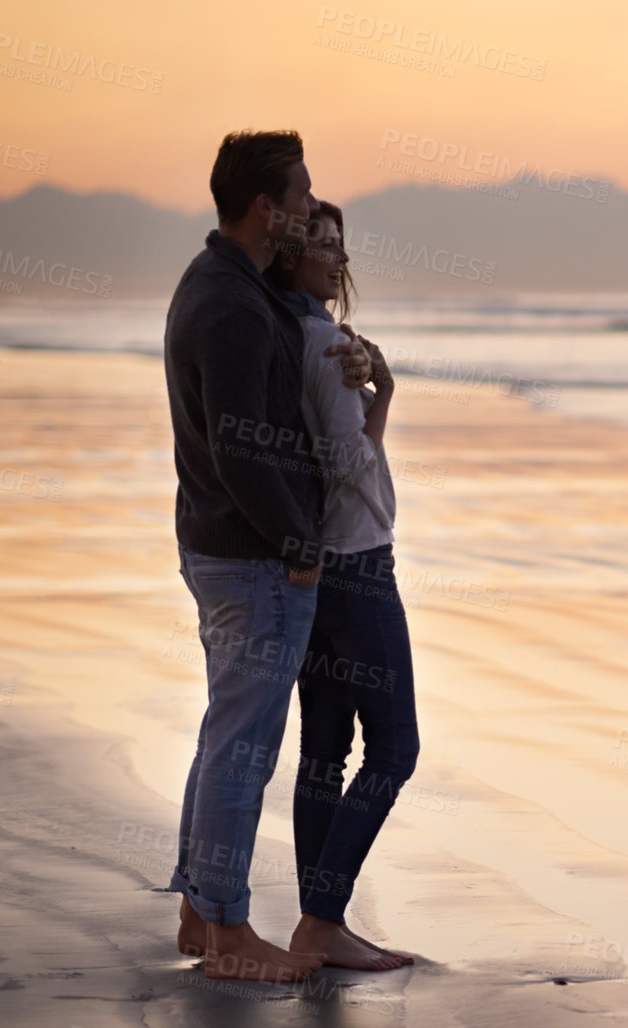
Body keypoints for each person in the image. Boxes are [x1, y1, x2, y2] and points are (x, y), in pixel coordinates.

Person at [163, 130, 372, 983]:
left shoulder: (219, 285)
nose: (309, 210)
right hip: (251, 557)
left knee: (227, 734)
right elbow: (241, 448)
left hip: (219, 546)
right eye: (301, 196)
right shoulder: (232, 303)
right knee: (245, 742)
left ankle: (197, 912)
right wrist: (298, 548)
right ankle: (228, 936)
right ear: (267, 208)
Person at [263, 202, 418, 971]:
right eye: (317, 243)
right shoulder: (326, 345)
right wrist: (379, 396)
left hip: (316, 568)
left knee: (324, 749)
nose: (333, 255)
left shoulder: (289, 335)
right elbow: (349, 465)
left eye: (339, 243)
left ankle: (316, 922)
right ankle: (322, 919)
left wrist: (375, 392)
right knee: (393, 750)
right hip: (358, 566)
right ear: (287, 255)